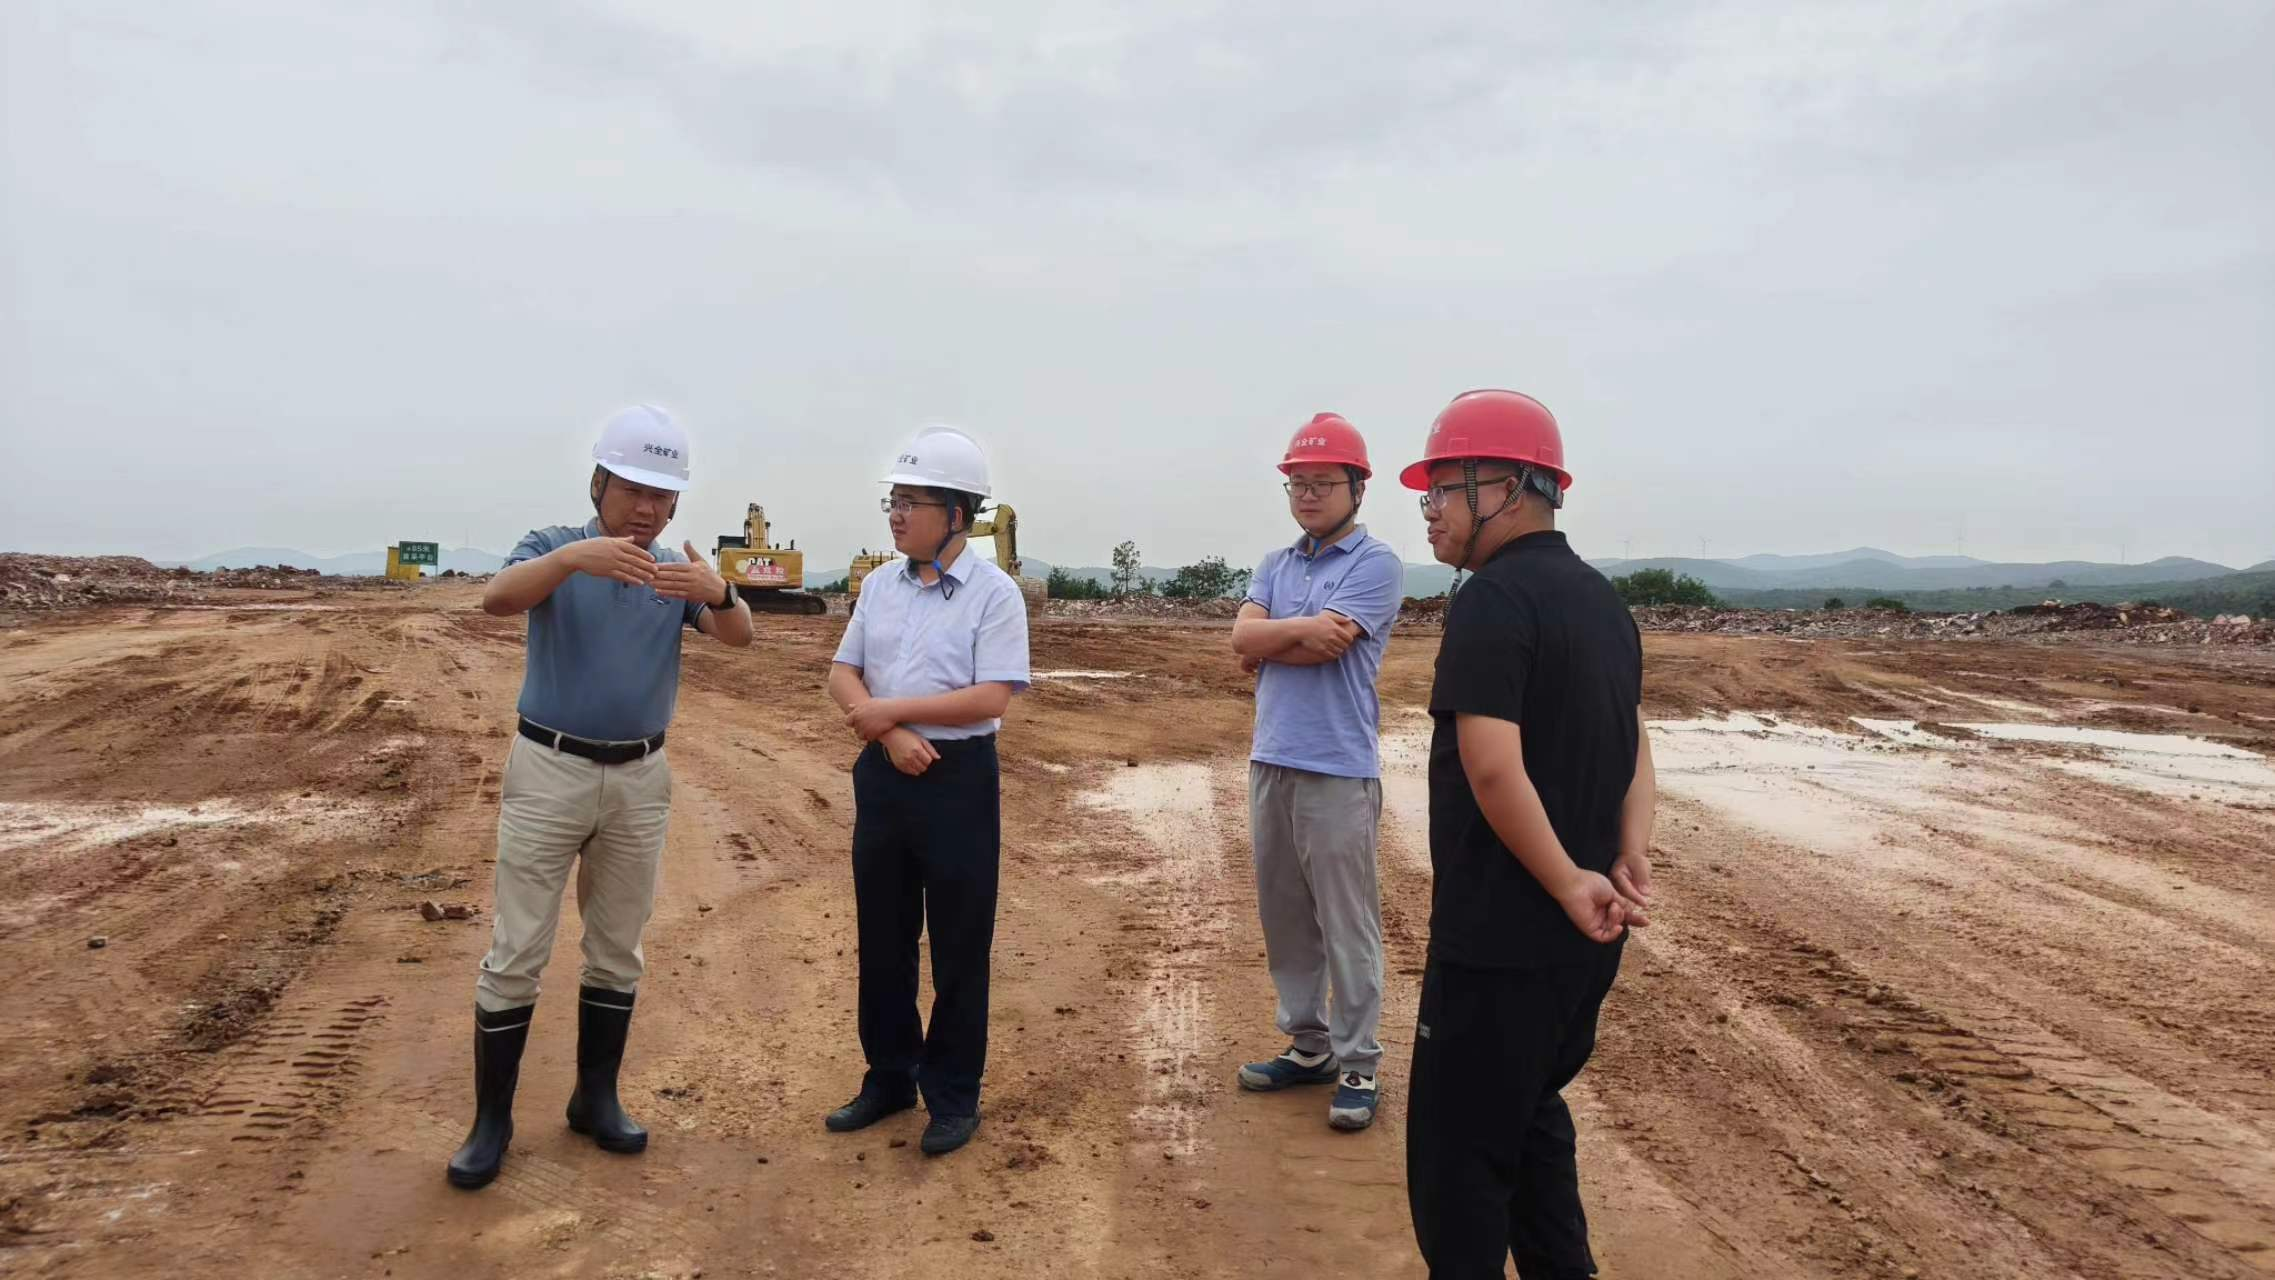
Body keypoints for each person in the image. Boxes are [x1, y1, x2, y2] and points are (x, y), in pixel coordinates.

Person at [446, 404, 754, 1190]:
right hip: (550, 768)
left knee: (618, 946)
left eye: (662, 496)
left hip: (639, 778)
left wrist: (720, 593)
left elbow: (739, 635)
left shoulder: (671, 572)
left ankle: (596, 1098)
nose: (647, 508)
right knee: (518, 949)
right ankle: (491, 1123)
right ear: (598, 484)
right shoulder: (553, 546)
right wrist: (573, 560)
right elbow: (497, 598)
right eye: (632, 490)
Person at [1397, 390, 1656, 1277]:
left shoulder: (1492, 601)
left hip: (1498, 941)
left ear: (1503, 486)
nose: (1429, 508)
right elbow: (1634, 745)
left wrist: (1563, 880)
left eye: (1442, 487)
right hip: (1581, 947)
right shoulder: (1602, 601)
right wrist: (1626, 855)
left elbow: (1492, 767)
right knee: (1530, 1118)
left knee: (1458, 1165)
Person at [823, 424, 1031, 1157]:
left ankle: (952, 1095)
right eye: (894, 500)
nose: (897, 514)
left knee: (958, 943)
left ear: (958, 514)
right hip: (885, 776)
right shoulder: (880, 586)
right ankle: (888, 1078)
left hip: (957, 781)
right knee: (882, 938)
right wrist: (888, 734)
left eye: (912, 502)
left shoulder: (995, 595)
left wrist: (892, 713)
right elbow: (843, 673)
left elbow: (992, 696)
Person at [1229, 413, 1405, 1131]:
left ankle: (1359, 1061)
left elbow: (1328, 646)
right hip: (1272, 758)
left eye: (1322, 483)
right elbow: (1241, 637)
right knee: (1286, 916)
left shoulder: (1375, 564)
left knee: (1346, 921)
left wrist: (1271, 639)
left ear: (1357, 488)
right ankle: (1310, 1047)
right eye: (1298, 483)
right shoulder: (1276, 562)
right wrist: (1293, 632)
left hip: (1336, 767)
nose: (1307, 494)